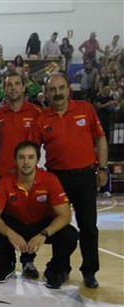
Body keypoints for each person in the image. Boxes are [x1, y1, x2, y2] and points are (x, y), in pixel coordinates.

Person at [32, 73, 107, 288]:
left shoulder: (85, 109)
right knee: (60, 227)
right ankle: (60, 268)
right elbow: (32, 150)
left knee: (89, 227)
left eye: (61, 88)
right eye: (52, 89)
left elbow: (100, 138)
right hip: (57, 179)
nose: (57, 93)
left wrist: (102, 168)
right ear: (46, 94)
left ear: (68, 90)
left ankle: (90, 271)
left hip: (85, 177)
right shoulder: (42, 119)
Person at [0, 141, 78, 287]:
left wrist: (44, 234)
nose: (26, 162)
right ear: (15, 160)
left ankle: (54, 270)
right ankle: (6, 266)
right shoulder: (5, 182)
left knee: (70, 235)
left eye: (30, 157)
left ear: (37, 159)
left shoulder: (50, 180)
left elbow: (65, 215)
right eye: (21, 157)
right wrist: (10, 233)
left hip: (41, 224)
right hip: (16, 223)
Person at [0, 72, 42, 179]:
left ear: (23, 87)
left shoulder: (36, 112)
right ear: (5, 89)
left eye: (17, 84)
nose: (13, 87)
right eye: (9, 85)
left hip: (28, 172)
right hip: (3, 172)